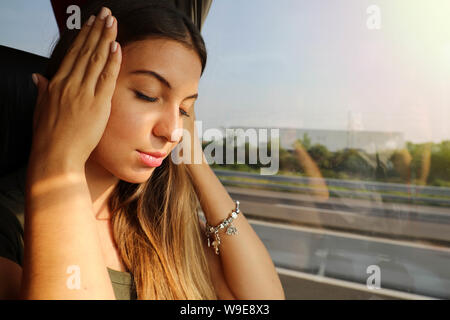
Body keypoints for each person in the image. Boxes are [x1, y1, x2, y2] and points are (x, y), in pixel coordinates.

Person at [0, 0, 285, 300]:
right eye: (147, 95)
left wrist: (193, 157)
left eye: (185, 109)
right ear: (74, 86)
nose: (172, 130)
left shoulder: (155, 218)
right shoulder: (11, 227)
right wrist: (61, 161)